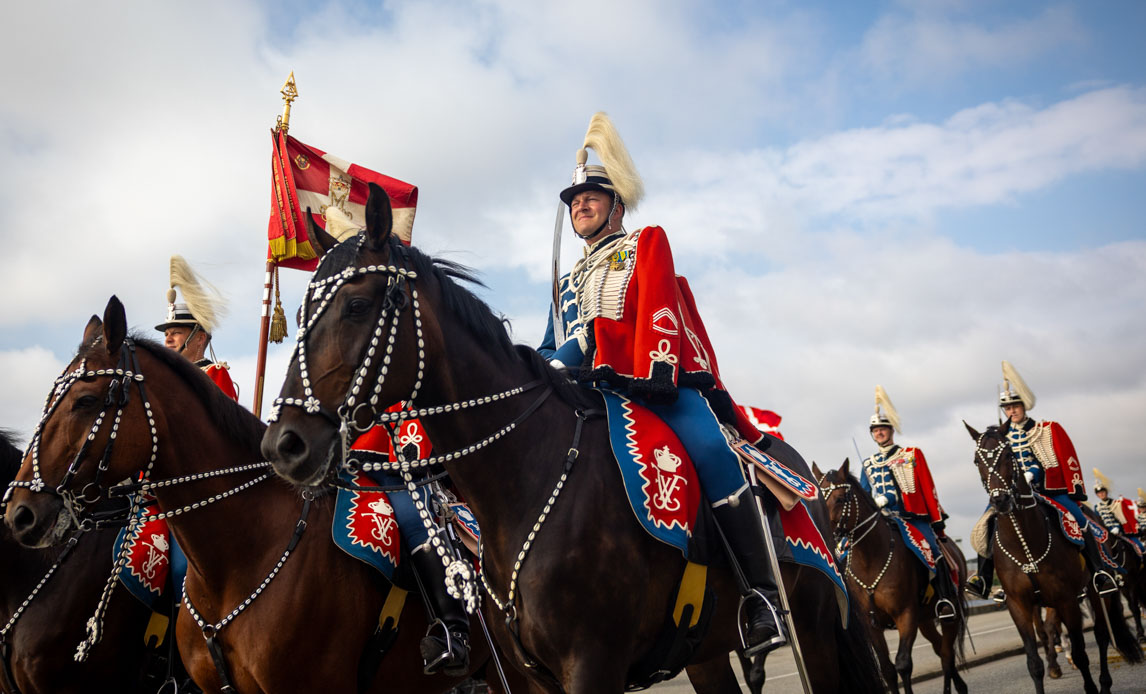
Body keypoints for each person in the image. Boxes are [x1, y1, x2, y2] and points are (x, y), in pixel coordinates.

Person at [538, 112, 786, 657]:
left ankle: (761, 596)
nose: (580, 205)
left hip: (654, 382)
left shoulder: (644, 244)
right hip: (590, 392)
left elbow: (656, 311)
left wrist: (645, 370)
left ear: (616, 206)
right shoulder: (565, 281)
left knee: (709, 449)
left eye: (591, 197)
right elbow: (553, 343)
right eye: (574, 201)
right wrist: (531, 370)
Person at [966, 361, 1117, 597]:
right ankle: (984, 580)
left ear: (1024, 406)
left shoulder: (1042, 430)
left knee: (1078, 518)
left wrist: (1032, 473)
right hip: (1011, 493)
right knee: (986, 525)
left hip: (1046, 489)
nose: (1012, 411)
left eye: (1015, 406)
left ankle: (1098, 572)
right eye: (1007, 408)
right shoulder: (1000, 437)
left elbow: (1048, 461)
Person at [859, 386, 957, 620]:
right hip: (882, 519)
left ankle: (945, 599)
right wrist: (871, 504)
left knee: (932, 549)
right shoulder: (868, 464)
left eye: (883, 429)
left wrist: (891, 499)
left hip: (910, 517)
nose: (879, 433)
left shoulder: (910, 455)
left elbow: (925, 488)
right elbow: (864, 494)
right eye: (875, 430)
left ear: (891, 430)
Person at [155, 256, 238, 401]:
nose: (168, 340)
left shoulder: (214, 374)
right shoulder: (161, 376)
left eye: (176, 333)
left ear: (200, 338)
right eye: (166, 334)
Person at [1092, 469, 1143, 553]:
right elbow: (1098, 521)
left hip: (1122, 533)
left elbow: (1123, 518)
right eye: (1099, 493)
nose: (1101, 494)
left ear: (1106, 492)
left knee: (1140, 547)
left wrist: (1117, 528)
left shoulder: (1117, 503)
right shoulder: (1097, 507)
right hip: (1107, 534)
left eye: (1103, 492)